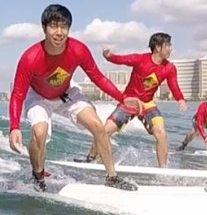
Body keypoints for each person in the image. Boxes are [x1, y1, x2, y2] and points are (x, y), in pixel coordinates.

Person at [8, 4, 143, 191]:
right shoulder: (30, 58)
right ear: (44, 28)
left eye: (64, 27)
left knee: (97, 125)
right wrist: (14, 127)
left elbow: (97, 77)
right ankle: (38, 175)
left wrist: (122, 98)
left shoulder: (78, 49)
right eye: (54, 26)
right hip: (38, 96)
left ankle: (111, 177)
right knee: (39, 134)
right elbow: (17, 94)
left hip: (66, 94)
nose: (59, 32)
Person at [76, 32, 187, 167]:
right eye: (168, 45)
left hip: (147, 104)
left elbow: (173, 85)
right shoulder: (140, 59)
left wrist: (180, 99)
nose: (170, 48)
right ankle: (90, 159)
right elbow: (121, 60)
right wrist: (109, 56)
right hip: (129, 102)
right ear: (158, 47)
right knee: (105, 131)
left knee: (161, 132)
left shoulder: (169, 68)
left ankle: (163, 170)